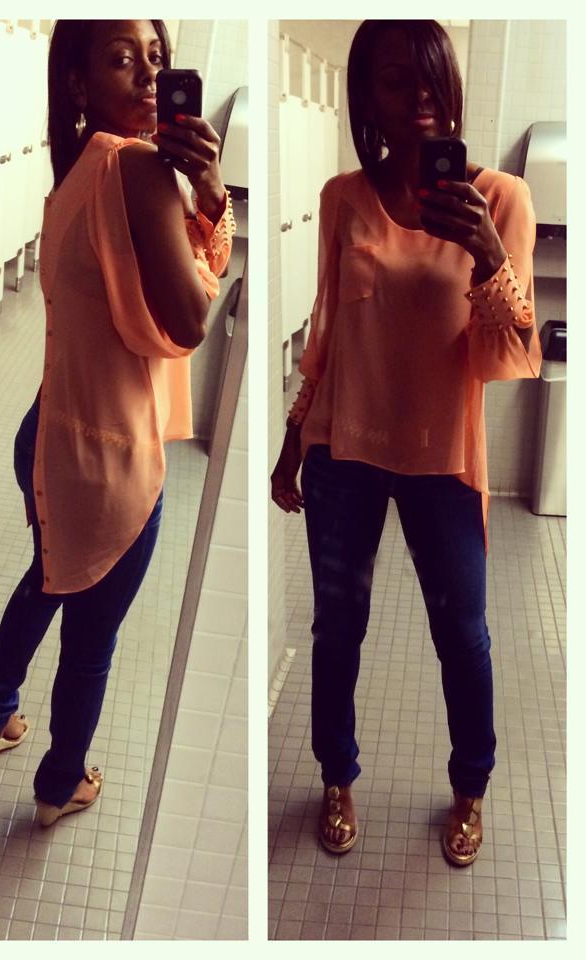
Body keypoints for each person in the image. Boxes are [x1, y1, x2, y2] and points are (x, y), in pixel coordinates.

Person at [271, 19, 540, 867]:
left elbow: (510, 354)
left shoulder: (501, 199)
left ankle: (471, 787)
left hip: (443, 459)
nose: (419, 94)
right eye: (396, 79)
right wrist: (294, 434)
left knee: (463, 633)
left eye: (430, 75)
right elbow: (327, 333)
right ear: (368, 98)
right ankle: (337, 776)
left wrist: (488, 254)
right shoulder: (342, 199)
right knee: (336, 629)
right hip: (343, 453)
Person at [0, 19, 235, 825]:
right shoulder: (140, 168)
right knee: (91, 641)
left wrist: (202, 195)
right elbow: (189, 320)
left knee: (47, 575)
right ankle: (61, 784)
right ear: (79, 81)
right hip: (110, 459)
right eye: (124, 60)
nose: (150, 76)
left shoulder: (76, 169)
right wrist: (211, 198)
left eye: (156, 58)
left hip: (50, 431)